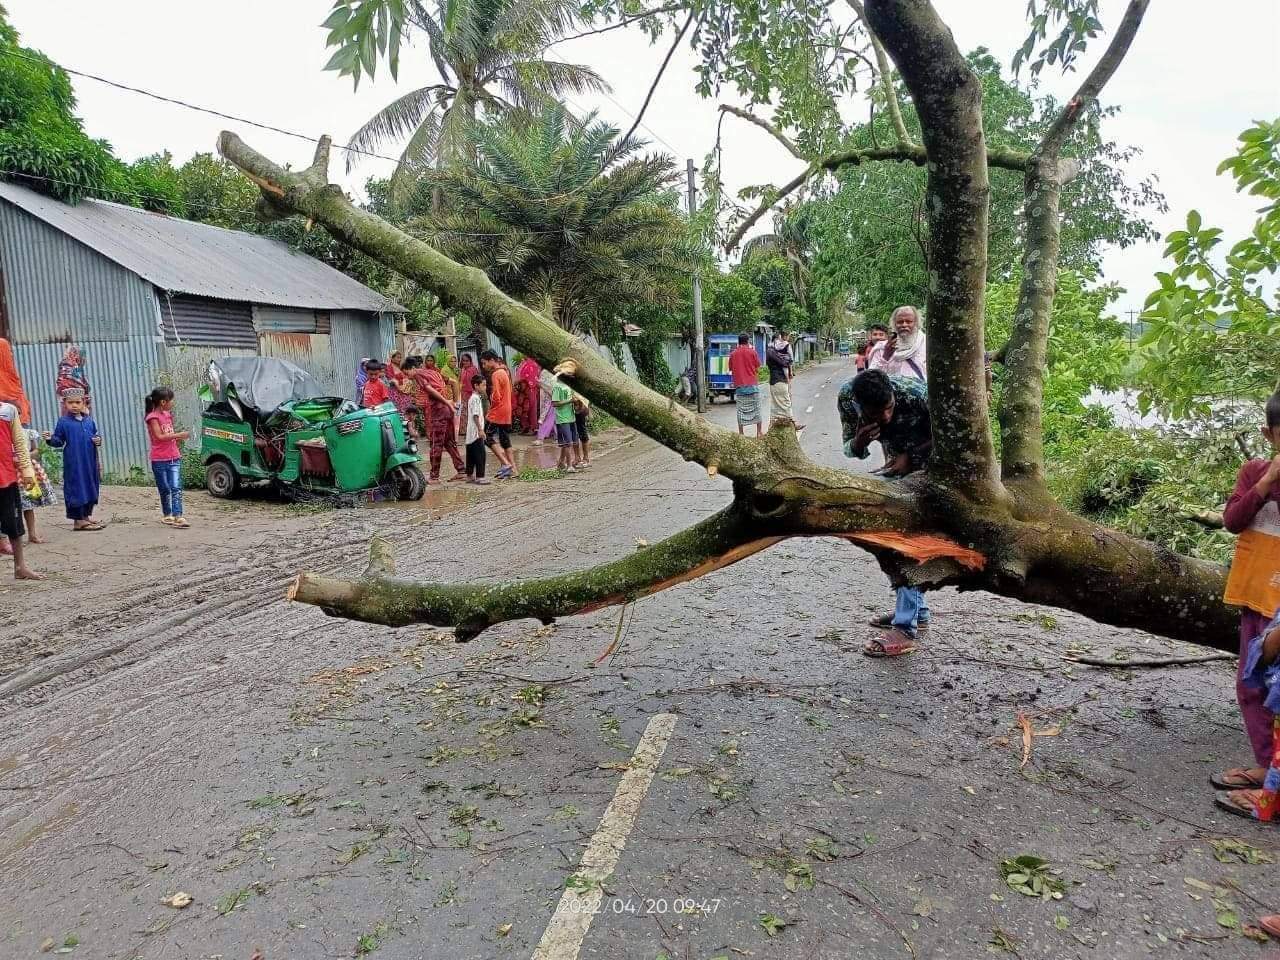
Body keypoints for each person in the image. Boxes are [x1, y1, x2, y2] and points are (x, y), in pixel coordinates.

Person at [838, 369, 933, 656]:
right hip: (895, 470)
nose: (886, 418)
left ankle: (905, 628)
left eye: (889, 408)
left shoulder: (916, 395)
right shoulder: (846, 398)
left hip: (932, 466)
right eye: (876, 414)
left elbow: (954, 434)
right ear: (859, 406)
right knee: (885, 537)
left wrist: (913, 456)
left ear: (894, 395)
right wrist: (859, 442)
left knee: (905, 542)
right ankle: (918, 612)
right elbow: (850, 450)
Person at [1216, 390, 1280, 802]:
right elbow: (1232, 521)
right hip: (1255, 595)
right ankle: (1265, 763)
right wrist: (1267, 480)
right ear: (1269, 434)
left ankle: (1275, 784)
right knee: (1251, 686)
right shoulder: (1253, 472)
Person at [43, 388, 103, 532]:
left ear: (84, 403)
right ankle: (78, 521)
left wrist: (98, 440)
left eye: (78, 402)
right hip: (74, 462)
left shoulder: (89, 421)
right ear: (65, 404)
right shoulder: (63, 422)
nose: (74, 405)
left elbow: (95, 436)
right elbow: (59, 440)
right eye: (71, 403)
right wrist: (50, 439)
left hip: (89, 462)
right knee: (77, 487)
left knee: (90, 485)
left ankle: (86, 516)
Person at [0, 399, 40, 579]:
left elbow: (20, 445)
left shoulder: (8, 411)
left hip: (6, 477)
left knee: (14, 523)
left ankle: (20, 567)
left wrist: (28, 472)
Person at [145, 386, 191, 528]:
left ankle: (178, 516)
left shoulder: (167, 415)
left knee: (176, 487)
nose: (173, 403)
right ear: (163, 402)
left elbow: (168, 434)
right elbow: (159, 436)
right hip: (159, 459)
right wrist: (179, 435)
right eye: (171, 400)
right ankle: (167, 514)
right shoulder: (152, 417)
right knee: (164, 488)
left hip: (173, 457)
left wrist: (176, 440)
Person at [419, 355, 466, 482]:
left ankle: (434, 476)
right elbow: (454, 382)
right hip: (447, 411)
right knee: (449, 442)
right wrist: (454, 404)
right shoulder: (437, 374)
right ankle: (461, 470)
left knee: (436, 444)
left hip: (438, 412)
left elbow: (431, 390)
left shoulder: (423, 376)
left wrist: (451, 403)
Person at [481, 350, 516, 480]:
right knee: (505, 440)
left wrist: (490, 410)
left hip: (498, 410)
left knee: (486, 436)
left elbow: (496, 396)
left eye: (484, 363)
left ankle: (506, 464)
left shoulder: (496, 374)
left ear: (491, 360)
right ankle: (514, 469)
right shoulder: (505, 370)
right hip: (507, 409)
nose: (484, 366)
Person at [16, 427, 54, 547]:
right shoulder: (4, 434)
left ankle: (32, 534)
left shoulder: (27, 433)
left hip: (27, 472)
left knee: (29, 504)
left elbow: (36, 451)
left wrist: (26, 455)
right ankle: (16, 538)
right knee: (12, 507)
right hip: (8, 473)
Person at [874, 306, 927, 381]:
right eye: (900, 322)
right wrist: (885, 356)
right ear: (894, 324)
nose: (904, 325)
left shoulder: (926, 344)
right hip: (892, 392)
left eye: (909, 321)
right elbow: (871, 378)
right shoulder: (881, 348)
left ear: (916, 323)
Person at [766, 332, 804, 432]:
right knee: (786, 402)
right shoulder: (772, 352)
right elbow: (784, 362)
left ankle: (771, 426)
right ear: (775, 340)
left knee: (775, 404)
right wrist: (788, 361)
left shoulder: (772, 351)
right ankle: (793, 423)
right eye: (779, 340)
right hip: (779, 380)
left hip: (775, 380)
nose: (781, 342)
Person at [728, 333, 763, 438]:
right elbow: (758, 366)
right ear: (748, 341)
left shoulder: (733, 354)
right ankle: (759, 432)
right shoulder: (753, 352)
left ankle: (741, 433)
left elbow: (730, 368)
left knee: (741, 410)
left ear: (738, 342)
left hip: (739, 386)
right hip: (752, 385)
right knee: (756, 409)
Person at [464, 373, 490, 485]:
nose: (485, 387)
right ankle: (480, 476)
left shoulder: (473, 398)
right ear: (476, 385)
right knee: (480, 454)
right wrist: (480, 430)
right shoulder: (475, 399)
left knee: (471, 455)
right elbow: (475, 415)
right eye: (483, 385)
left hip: (470, 433)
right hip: (475, 432)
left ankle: (469, 475)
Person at [551, 377, 582, 472]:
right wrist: (569, 401)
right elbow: (554, 403)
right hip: (562, 419)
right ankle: (569, 466)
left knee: (570, 441)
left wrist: (576, 402)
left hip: (571, 417)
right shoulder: (557, 387)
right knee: (568, 443)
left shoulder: (568, 386)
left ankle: (561, 462)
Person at [0, 339, 31, 426]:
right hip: (10, 423)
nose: (11, 354)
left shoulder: (9, 373)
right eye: (8, 351)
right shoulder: (5, 376)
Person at [57, 345, 91, 414]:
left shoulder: (74, 369)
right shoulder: (70, 370)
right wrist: (84, 409)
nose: (85, 359)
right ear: (76, 356)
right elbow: (72, 392)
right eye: (83, 356)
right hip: (75, 413)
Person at [515, 355, 542, 435]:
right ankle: (525, 427)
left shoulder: (533, 364)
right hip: (522, 389)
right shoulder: (524, 362)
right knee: (522, 409)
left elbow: (533, 378)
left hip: (530, 388)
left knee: (531, 408)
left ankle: (533, 428)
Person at [573, 392, 592, 468]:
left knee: (582, 433)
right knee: (574, 435)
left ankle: (586, 457)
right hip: (570, 410)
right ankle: (577, 457)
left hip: (580, 409)